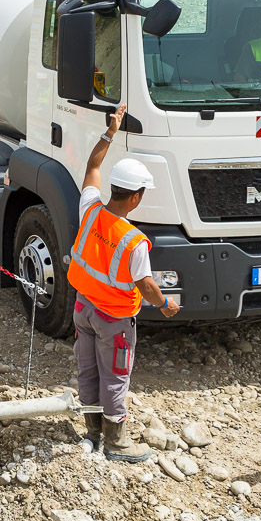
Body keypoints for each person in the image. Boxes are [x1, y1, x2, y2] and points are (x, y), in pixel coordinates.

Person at [67, 102, 179, 462]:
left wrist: (110, 131)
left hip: (83, 308)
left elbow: (93, 166)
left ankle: (92, 433)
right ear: (135, 197)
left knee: (87, 371)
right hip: (113, 320)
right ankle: (116, 443)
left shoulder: (90, 209)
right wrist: (165, 304)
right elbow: (145, 285)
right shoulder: (133, 241)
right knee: (114, 377)